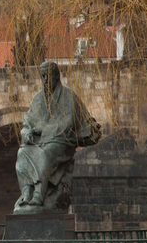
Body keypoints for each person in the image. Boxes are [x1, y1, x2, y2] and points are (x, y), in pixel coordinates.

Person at [15, 61, 102, 212]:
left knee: (45, 154)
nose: (45, 80)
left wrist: (48, 131)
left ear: (56, 76)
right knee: (22, 153)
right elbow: (27, 121)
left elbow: (70, 122)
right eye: (43, 77)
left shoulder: (69, 96)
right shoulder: (37, 98)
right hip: (40, 141)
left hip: (61, 141)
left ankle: (38, 195)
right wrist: (27, 132)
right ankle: (27, 192)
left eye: (48, 76)